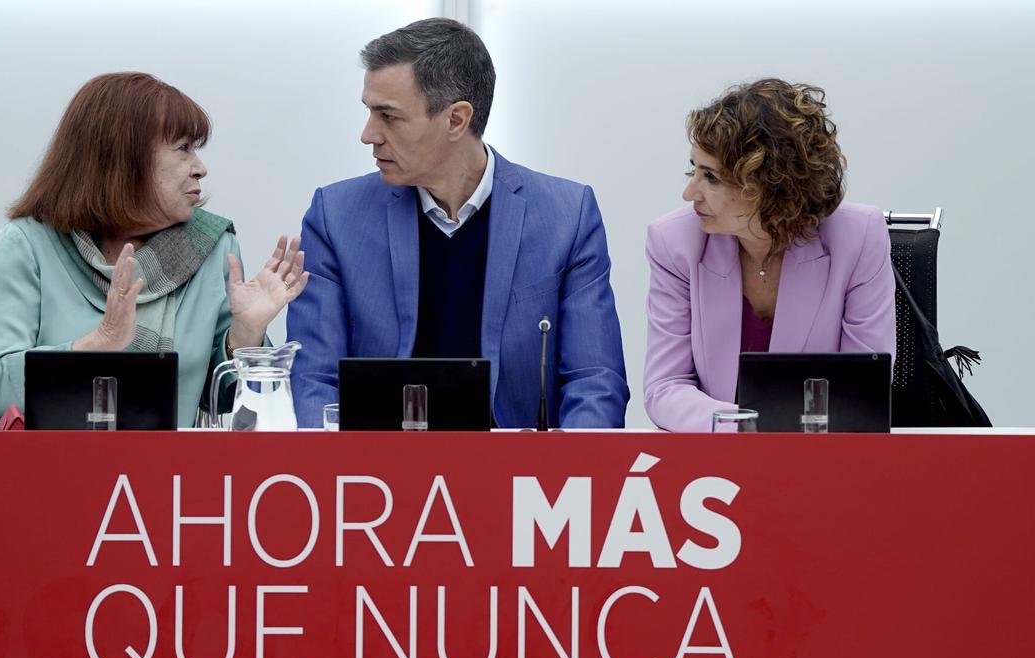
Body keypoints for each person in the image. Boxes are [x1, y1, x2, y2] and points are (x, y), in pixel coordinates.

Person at [286, 18, 628, 428]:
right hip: (375, 472)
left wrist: (559, 481)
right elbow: (313, 380)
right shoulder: (335, 216)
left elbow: (595, 380)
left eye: (389, 117)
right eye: (369, 112)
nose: (368, 134)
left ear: (456, 119)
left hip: (518, 476)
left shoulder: (567, 215)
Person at [0, 72, 309, 427]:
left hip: (165, 473)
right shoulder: (28, 243)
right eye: (183, 148)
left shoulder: (211, 246)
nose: (201, 168)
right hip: (52, 466)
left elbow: (229, 404)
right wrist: (98, 344)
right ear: (124, 159)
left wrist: (245, 332)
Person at [643, 78, 896, 432]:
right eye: (693, 170)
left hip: (825, 458)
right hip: (715, 462)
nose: (689, 193)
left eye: (711, 178)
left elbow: (859, 389)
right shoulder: (674, 242)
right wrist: (745, 430)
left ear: (771, 185)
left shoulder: (858, 236)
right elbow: (665, 388)